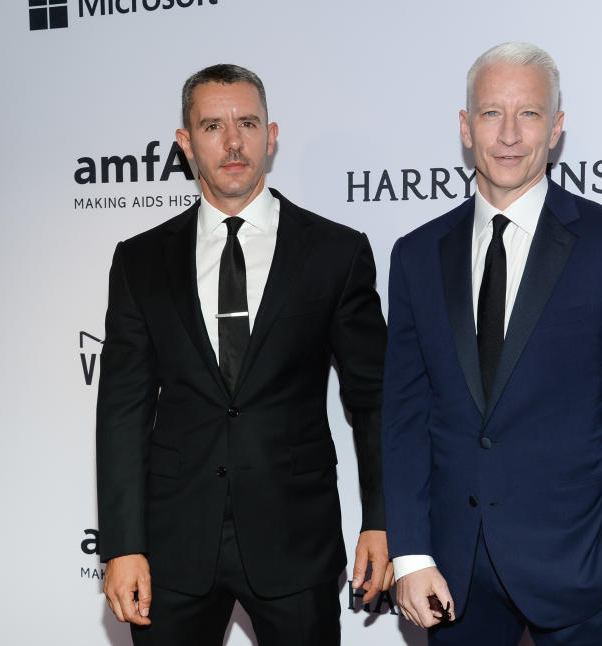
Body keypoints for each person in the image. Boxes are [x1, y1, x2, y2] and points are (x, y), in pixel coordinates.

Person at [381, 42, 602, 645]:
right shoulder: (416, 255)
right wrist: (412, 555)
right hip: (452, 575)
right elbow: (405, 418)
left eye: (529, 114)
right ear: (466, 128)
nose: (509, 134)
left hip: (579, 567)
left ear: (557, 128)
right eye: (492, 113)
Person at [96, 63, 390, 646]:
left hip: (295, 541)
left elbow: (374, 398)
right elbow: (122, 410)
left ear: (270, 134)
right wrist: (123, 544)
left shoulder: (335, 252)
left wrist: (382, 519)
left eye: (247, 123)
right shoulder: (140, 261)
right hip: (173, 548)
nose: (233, 142)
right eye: (212, 126)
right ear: (185, 143)